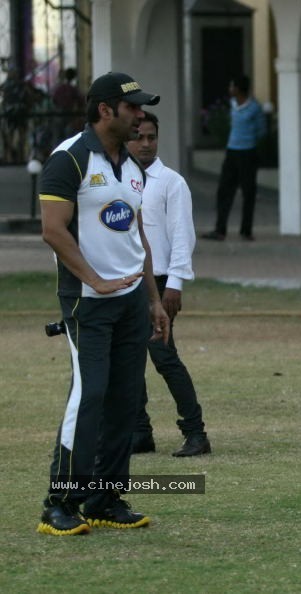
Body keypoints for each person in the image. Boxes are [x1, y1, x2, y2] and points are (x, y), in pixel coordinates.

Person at [35, 72, 169, 536]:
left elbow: (137, 235)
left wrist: (153, 299)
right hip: (87, 302)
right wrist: (95, 280)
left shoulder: (132, 166)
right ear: (105, 110)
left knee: (125, 399)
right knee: (88, 396)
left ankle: (104, 499)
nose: (140, 116)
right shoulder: (68, 159)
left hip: (131, 302)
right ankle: (58, 503)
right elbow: (53, 231)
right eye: (132, 108)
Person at [126, 111, 212, 458]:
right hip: (127, 280)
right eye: (139, 137)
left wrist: (175, 284)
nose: (146, 144)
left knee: (163, 356)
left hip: (160, 281)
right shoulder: (119, 180)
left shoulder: (171, 182)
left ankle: (195, 433)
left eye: (152, 137)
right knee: (129, 360)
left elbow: (182, 237)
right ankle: (140, 432)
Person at [202, 74, 266, 241]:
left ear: (238, 89)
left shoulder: (254, 108)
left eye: (232, 86)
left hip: (248, 152)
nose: (230, 89)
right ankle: (220, 229)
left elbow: (261, 130)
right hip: (232, 151)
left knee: (248, 192)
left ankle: (246, 230)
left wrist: (251, 141)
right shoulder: (233, 104)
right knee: (224, 190)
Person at [51, 67, 86, 138]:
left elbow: (54, 100)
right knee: (68, 135)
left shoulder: (59, 88)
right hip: (69, 114)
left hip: (59, 113)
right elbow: (81, 102)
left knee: (58, 135)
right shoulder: (73, 89)